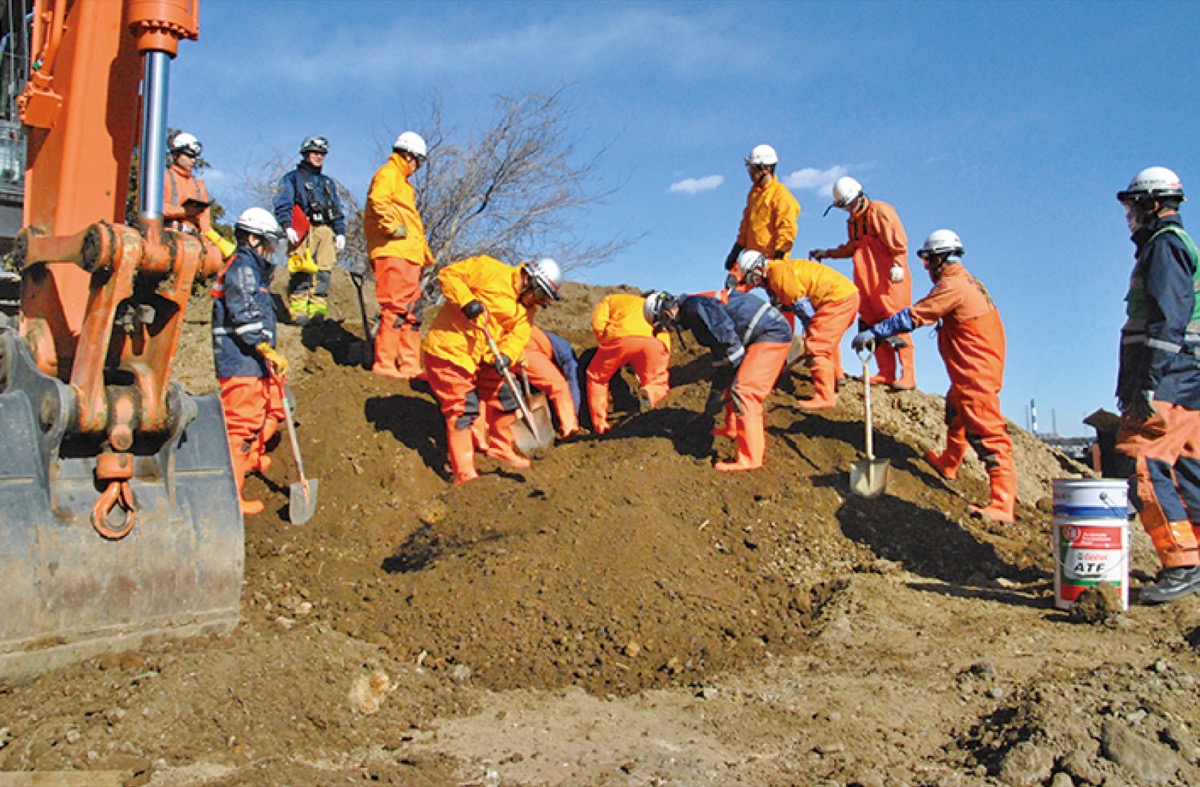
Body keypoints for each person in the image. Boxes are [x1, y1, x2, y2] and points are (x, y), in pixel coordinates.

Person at [852, 229, 1015, 523]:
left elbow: (914, 316)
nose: (926, 268)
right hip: (972, 369)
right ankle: (949, 463)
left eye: (927, 262)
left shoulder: (953, 287)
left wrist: (875, 332)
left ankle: (1002, 504)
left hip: (976, 373)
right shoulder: (966, 282)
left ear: (939, 258)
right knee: (955, 413)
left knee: (987, 434)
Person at [1113, 166, 1200, 603]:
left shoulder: (1164, 248)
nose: (1129, 215)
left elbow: (1170, 320)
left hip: (1170, 379)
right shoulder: (1174, 245)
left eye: (1133, 205)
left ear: (1152, 204)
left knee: (1144, 461)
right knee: (1187, 469)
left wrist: (1146, 383)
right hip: (1187, 380)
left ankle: (1181, 562)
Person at [422, 256, 564, 485]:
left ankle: (501, 447)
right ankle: (464, 473)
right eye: (538, 296)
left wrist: (507, 355)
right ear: (529, 279)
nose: (536, 303)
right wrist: (467, 301)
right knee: (462, 410)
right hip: (450, 350)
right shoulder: (489, 270)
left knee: (507, 398)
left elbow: (519, 335)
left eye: (542, 300)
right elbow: (447, 275)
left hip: (485, 356)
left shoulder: (527, 309)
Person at [646, 288, 792, 471]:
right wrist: (715, 395)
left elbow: (726, 338)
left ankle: (750, 459)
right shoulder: (694, 307)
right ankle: (731, 429)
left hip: (770, 333)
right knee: (733, 382)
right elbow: (722, 356)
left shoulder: (694, 308)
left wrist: (736, 365)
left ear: (666, 314)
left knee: (745, 391)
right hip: (762, 331)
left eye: (664, 325)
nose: (670, 330)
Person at [210, 208, 290, 515]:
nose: (271, 251)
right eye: (268, 244)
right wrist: (262, 345)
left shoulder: (254, 269)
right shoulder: (242, 267)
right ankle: (231, 497)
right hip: (240, 361)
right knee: (241, 426)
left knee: (274, 406)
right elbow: (242, 311)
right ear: (253, 238)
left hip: (256, 359)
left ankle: (252, 458)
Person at [812, 176, 915, 390]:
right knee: (871, 321)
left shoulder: (880, 211)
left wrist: (898, 264)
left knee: (895, 320)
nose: (848, 209)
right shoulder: (853, 221)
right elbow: (852, 247)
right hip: (866, 280)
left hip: (888, 279)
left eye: (849, 204)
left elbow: (898, 243)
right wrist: (828, 253)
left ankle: (908, 375)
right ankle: (886, 372)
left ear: (858, 196)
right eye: (844, 206)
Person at [735, 249, 860, 410]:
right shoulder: (779, 271)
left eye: (753, 278)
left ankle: (825, 396)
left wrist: (810, 332)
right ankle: (836, 376)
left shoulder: (778, 276)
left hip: (836, 300)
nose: (755, 284)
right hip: (845, 296)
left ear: (759, 268)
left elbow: (804, 308)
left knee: (817, 346)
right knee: (825, 340)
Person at [364, 131, 435, 380]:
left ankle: (409, 365)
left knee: (412, 311)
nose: (418, 167)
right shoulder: (388, 174)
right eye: (418, 160)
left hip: (408, 255)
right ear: (408, 154)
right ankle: (385, 362)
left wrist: (423, 254)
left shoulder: (403, 183)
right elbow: (377, 201)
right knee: (395, 308)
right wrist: (392, 228)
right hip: (393, 253)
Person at [274, 135, 346, 326]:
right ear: (305, 153)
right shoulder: (292, 179)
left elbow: (336, 209)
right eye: (315, 152)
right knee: (302, 270)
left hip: (325, 229)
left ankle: (317, 313)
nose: (318, 156)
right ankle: (298, 312)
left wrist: (340, 232)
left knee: (324, 271)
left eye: (322, 153)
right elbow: (283, 203)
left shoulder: (327, 183)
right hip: (303, 228)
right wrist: (287, 225)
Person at [586, 292, 672, 435]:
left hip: (622, 336)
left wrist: (605, 343)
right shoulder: (652, 309)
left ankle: (600, 425)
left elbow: (598, 322)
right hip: (656, 341)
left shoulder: (611, 299)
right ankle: (656, 411)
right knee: (656, 381)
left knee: (597, 378)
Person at [724, 144, 800, 279]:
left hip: (772, 260)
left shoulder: (781, 196)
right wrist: (736, 250)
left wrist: (778, 259)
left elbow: (786, 230)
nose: (750, 172)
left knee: (779, 297)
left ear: (766, 169)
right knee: (732, 289)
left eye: (753, 169)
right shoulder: (754, 194)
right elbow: (746, 225)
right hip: (750, 258)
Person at [523, 325, 582, 437]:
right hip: (523, 347)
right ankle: (570, 428)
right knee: (559, 386)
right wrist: (574, 413)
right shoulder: (565, 352)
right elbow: (572, 381)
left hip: (504, 345)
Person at [162, 132, 212, 236]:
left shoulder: (199, 185)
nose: (193, 160)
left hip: (193, 241)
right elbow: (155, 209)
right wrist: (184, 211)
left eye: (195, 157)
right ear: (176, 155)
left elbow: (205, 221)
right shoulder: (163, 178)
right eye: (189, 156)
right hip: (166, 239)